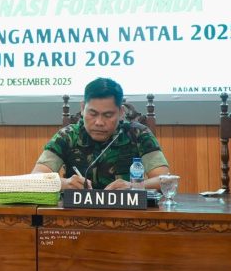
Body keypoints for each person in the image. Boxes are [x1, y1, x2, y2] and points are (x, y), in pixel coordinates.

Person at [32, 77, 170, 190]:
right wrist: (65, 183)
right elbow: (36, 177)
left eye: (108, 115)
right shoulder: (68, 136)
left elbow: (165, 180)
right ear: (82, 108)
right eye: (93, 114)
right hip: (76, 211)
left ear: (121, 112)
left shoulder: (138, 134)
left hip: (125, 211)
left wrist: (133, 186)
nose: (99, 122)